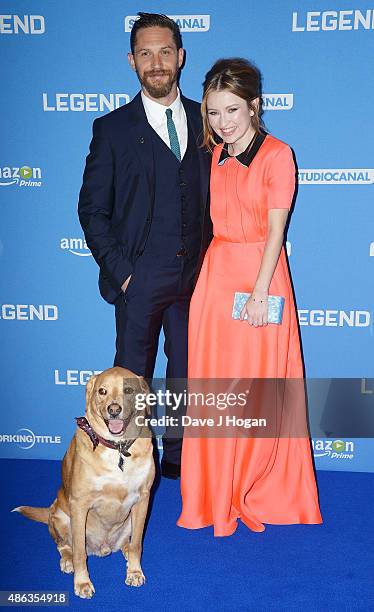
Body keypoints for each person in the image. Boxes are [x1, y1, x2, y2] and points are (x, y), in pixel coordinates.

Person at [177, 58, 322, 535]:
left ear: (255, 106)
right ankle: (216, 492)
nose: (222, 122)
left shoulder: (278, 154)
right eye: (214, 113)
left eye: (233, 111)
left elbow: (276, 234)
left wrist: (260, 292)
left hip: (261, 277)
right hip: (217, 279)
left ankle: (261, 488)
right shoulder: (214, 154)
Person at [78, 13, 211, 479]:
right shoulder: (112, 129)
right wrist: (124, 272)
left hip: (196, 276)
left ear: (181, 57)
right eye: (146, 53)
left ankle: (176, 459)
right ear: (131, 60)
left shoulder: (207, 120)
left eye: (165, 52)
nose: (157, 63)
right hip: (139, 276)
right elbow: (92, 211)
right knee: (129, 379)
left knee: (186, 373)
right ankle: (123, 466)